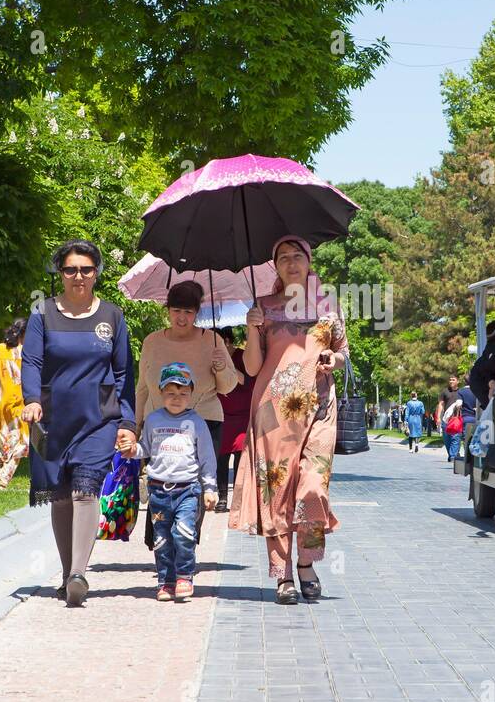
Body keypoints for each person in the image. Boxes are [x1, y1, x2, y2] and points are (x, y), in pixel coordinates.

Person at [22, 238, 137, 608]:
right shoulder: (42, 313)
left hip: (98, 420)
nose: (79, 276)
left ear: (96, 273)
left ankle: (78, 574)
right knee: (60, 498)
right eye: (70, 269)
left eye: (86, 269)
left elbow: (123, 373)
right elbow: (32, 363)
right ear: (60, 273)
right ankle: (66, 570)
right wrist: (33, 402)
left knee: (85, 491)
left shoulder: (112, 317)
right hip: (53, 420)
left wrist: (127, 422)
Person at [232, 235, 345, 605]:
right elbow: (250, 367)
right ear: (275, 266)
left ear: (309, 262)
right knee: (277, 491)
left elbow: (343, 352)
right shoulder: (263, 307)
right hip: (272, 411)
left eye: (299, 256)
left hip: (320, 408)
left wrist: (334, 358)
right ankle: (282, 575)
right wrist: (251, 327)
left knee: (313, 486)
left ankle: (307, 563)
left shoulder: (328, 305)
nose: (292, 262)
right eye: (283, 257)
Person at [136, 282, 238, 508]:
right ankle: (161, 541)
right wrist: (134, 426)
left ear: (197, 313)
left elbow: (228, 387)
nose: (181, 318)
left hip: (203, 423)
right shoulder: (152, 341)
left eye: (188, 312)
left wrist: (220, 368)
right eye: (176, 311)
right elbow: (142, 387)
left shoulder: (212, 340)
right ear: (168, 310)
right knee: (159, 491)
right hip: (159, 423)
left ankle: (186, 541)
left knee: (194, 496)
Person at [127, 362, 219, 601]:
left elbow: (207, 457)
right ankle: (165, 581)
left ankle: (184, 576)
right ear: (160, 392)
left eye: (182, 392)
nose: (176, 397)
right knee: (161, 539)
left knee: (183, 533)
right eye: (170, 392)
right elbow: (145, 448)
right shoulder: (153, 420)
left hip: (188, 490)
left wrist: (210, 488)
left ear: (191, 394)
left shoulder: (197, 423)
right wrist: (131, 450)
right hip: (158, 491)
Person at [0, 318, 28, 490]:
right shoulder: (27, 352)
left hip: (0, 404)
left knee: (4, 441)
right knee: (22, 444)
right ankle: (3, 479)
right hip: (19, 405)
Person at [214, 326, 252, 513]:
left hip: (242, 416)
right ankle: (222, 498)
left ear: (227, 341)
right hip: (222, 415)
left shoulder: (243, 357)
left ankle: (238, 499)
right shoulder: (213, 360)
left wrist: (228, 364)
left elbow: (247, 381)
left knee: (239, 458)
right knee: (221, 457)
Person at [437, 375, 466, 462]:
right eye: (450, 380)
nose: (451, 381)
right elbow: (441, 404)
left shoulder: (461, 392)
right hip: (446, 419)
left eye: (453, 380)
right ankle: (452, 454)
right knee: (447, 439)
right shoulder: (445, 392)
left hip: (457, 419)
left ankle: (453, 456)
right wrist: (438, 417)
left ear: (457, 381)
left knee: (455, 437)